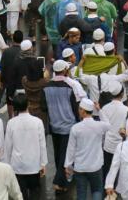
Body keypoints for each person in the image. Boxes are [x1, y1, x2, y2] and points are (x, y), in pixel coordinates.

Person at [43, 59, 79, 194]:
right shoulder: (69, 88)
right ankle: (59, 181)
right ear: (64, 70)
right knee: (65, 155)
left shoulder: (46, 88)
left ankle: (63, 182)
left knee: (58, 153)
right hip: (68, 125)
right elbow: (75, 108)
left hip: (54, 125)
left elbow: (43, 106)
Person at [64, 98, 110, 200]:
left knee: (81, 193)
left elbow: (71, 149)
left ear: (83, 111)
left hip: (80, 167)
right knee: (97, 190)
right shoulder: (100, 126)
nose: (78, 111)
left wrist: (68, 165)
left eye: (79, 109)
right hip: (95, 167)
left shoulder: (75, 128)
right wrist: (99, 110)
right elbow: (108, 124)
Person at [4, 93, 48, 200]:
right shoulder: (37, 122)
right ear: (28, 104)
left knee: (20, 195)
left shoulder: (11, 123)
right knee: (35, 193)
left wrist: (7, 165)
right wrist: (43, 163)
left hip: (17, 166)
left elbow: (8, 146)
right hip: (34, 165)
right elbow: (42, 144)